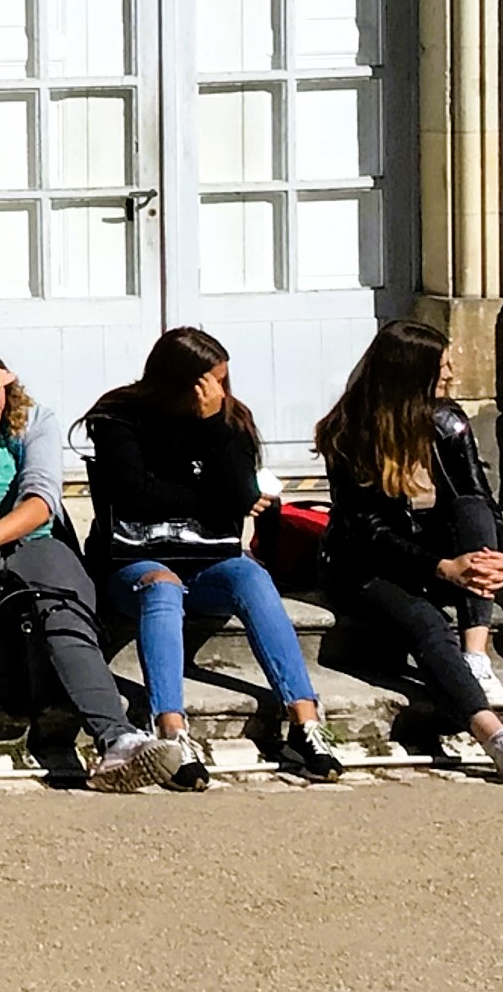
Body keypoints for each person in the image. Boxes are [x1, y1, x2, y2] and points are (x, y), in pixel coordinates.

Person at [0, 340, 175, 792]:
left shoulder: (36, 419)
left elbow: (42, 501)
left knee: (64, 606)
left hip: (21, 541)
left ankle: (119, 740)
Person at [81, 329, 344, 786]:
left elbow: (243, 495)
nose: (220, 390)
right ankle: (170, 732)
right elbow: (135, 498)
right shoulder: (118, 417)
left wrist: (212, 428)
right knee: (162, 586)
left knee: (251, 577)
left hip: (208, 562)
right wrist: (211, 497)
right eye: (210, 381)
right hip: (133, 563)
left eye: (224, 379)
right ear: (179, 382)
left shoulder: (229, 421)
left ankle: (304, 721)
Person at [313, 322, 503, 782]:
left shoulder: (448, 422)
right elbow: (369, 532)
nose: (452, 374)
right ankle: (495, 737)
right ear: (411, 374)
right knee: (425, 622)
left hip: (436, 554)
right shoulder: (348, 432)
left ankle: (476, 657)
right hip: (363, 566)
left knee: (470, 510)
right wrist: (441, 568)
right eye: (442, 366)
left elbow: (479, 497)